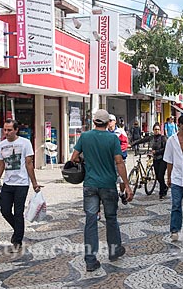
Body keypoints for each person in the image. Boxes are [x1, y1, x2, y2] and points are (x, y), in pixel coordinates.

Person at [70, 109, 134, 272]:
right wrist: (126, 185)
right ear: (107, 123)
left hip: (90, 184)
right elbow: (119, 162)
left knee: (91, 220)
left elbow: (74, 158)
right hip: (108, 185)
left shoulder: (85, 137)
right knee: (111, 218)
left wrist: (87, 160)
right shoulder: (113, 139)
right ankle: (114, 251)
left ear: (94, 122)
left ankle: (90, 260)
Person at [0, 119, 43, 251]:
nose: (7, 132)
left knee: (18, 212)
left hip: (21, 183)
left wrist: (34, 183)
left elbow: (29, 164)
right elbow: (1, 166)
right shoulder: (1, 145)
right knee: (4, 210)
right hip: (7, 183)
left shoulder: (25, 143)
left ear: (16, 130)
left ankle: (17, 240)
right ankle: (18, 229)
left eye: (9, 130)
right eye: (5, 130)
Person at [108, 114, 129, 204]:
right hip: (109, 160)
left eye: (111, 121)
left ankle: (121, 193)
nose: (109, 123)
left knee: (122, 179)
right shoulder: (105, 132)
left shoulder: (120, 132)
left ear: (115, 121)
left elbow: (125, 144)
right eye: (108, 121)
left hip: (120, 159)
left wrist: (118, 152)